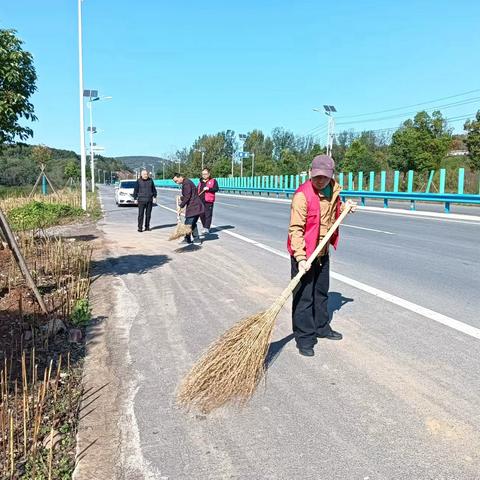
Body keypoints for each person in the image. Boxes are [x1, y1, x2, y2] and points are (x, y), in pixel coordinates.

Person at [287, 154, 354, 357]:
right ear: (310, 173)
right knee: (303, 297)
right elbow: (296, 229)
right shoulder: (302, 196)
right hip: (305, 254)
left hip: (322, 251)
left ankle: (321, 327)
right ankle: (305, 337)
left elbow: (331, 214)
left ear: (331, 175)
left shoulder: (334, 191)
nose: (320, 180)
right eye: (316, 176)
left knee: (321, 292)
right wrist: (300, 258)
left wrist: (345, 208)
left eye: (324, 177)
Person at [173, 173, 204, 245]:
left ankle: (187, 239)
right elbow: (189, 195)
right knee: (192, 224)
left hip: (194, 207)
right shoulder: (187, 182)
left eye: (176, 181)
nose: (176, 183)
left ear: (180, 177)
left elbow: (187, 197)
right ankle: (196, 239)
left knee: (188, 224)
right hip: (196, 206)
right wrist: (181, 198)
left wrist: (181, 206)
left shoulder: (186, 183)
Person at [198, 168, 219, 234]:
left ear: (209, 174)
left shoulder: (213, 181)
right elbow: (197, 190)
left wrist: (209, 188)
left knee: (208, 214)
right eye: (203, 174)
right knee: (201, 214)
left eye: (205, 174)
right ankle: (204, 226)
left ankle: (207, 228)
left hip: (208, 201)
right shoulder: (200, 182)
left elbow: (216, 189)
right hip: (200, 201)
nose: (204, 175)